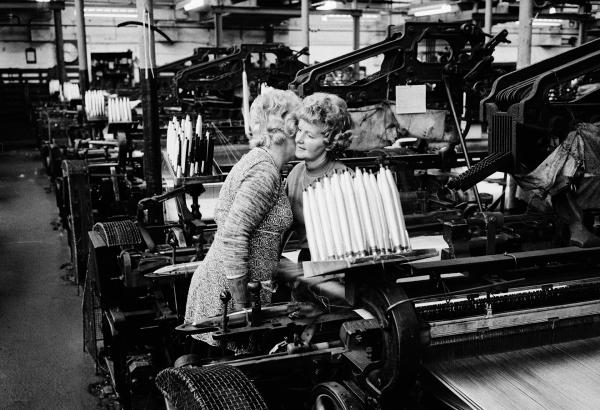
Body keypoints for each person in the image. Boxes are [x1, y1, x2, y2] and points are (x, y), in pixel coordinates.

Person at [185, 87, 301, 346]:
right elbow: (235, 235)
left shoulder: (264, 164)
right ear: (289, 129)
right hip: (226, 297)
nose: (303, 134)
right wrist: (243, 308)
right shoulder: (264, 172)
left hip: (235, 291)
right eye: (300, 126)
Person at [286, 92, 354, 262]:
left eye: (309, 135)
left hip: (338, 262)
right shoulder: (295, 173)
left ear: (330, 142)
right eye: (299, 130)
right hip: (307, 259)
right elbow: (282, 226)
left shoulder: (343, 178)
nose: (299, 139)